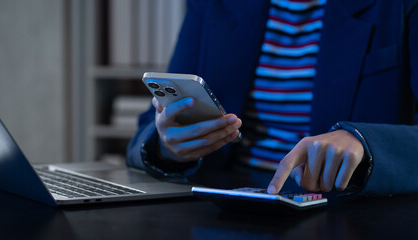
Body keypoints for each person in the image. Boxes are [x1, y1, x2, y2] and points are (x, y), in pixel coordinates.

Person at [127, 0, 418, 196]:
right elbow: (147, 131)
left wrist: (366, 143)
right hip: (223, 206)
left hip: (348, 209)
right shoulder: (214, 4)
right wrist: (169, 146)